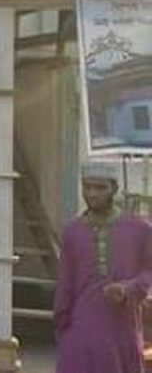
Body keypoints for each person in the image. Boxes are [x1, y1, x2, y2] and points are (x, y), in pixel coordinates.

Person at [54, 160, 152, 373]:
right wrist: (62, 324)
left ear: (114, 189)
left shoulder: (140, 230)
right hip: (80, 326)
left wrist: (128, 289)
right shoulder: (72, 231)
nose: (92, 194)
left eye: (100, 188)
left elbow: (148, 273)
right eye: (87, 187)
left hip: (122, 326)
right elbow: (65, 283)